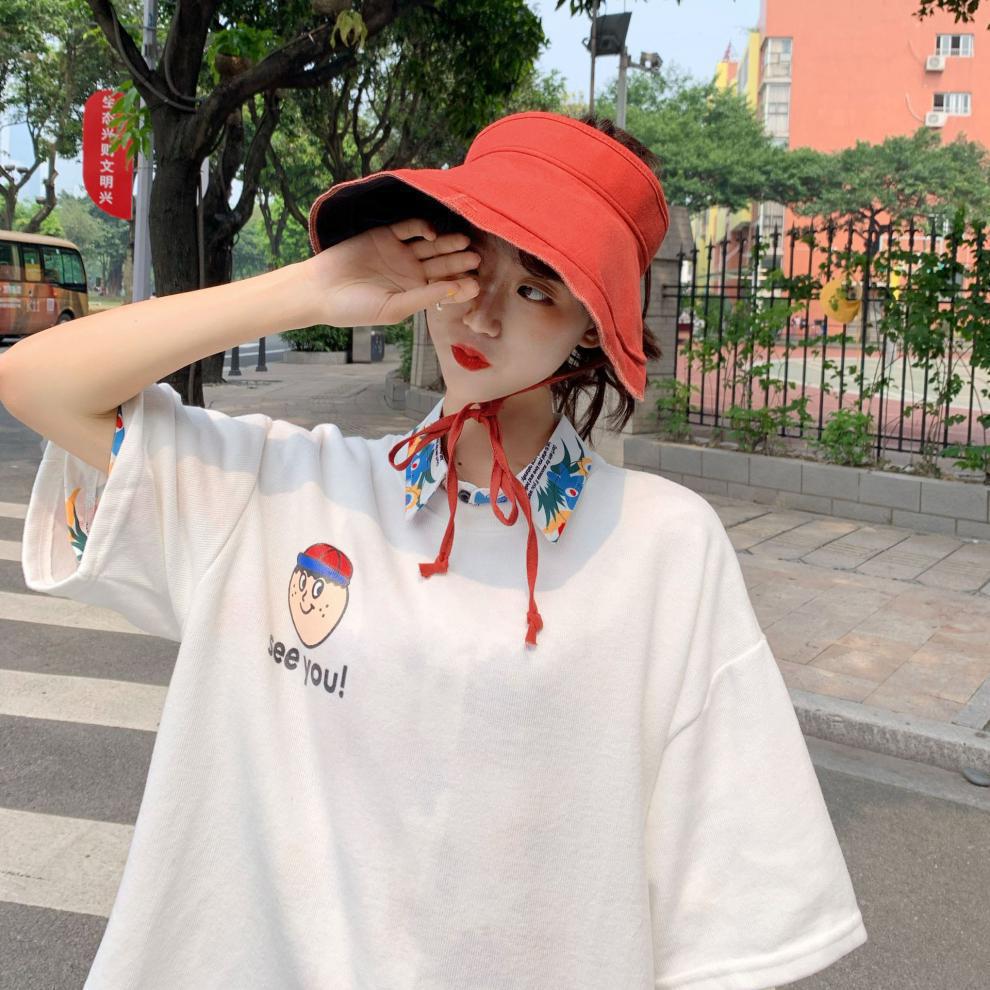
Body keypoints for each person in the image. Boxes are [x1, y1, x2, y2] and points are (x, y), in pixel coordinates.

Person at [0, 110, 867, 989]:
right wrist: (310, 289)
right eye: (470, 265)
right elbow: (36, 381)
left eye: (537, 291)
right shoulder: (286, 487)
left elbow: (726, 913)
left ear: (593, 326)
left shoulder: (661, 547)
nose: (483, 314)